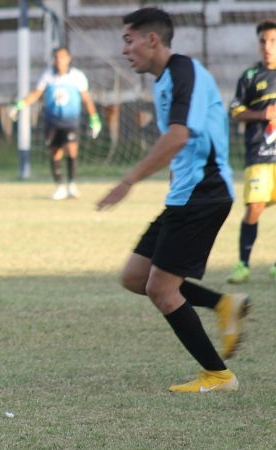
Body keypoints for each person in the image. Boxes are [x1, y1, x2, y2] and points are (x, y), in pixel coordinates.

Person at [97, 8, 250, 393]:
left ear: (152, 40)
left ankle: (218, 375)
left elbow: (179, 136)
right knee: (135, 277)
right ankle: (222, 304)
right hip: (185, 195)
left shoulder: (184, 73)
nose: (124, 50)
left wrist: (128, 180)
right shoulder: (163, 80)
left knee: (161, 290)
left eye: (128, 40)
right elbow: (182, 142)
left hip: (205, 194)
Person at [9, 47, 101, 200]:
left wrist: (94, 119)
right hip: (52, 121)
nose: (59, 61)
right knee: (55, 152)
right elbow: (36, 94)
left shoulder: (77, 76)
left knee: (72, 150)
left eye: (62, 57)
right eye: (57, 58)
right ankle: (59, 186)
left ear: (68, 59)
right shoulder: (48, 76)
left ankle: (72, 185)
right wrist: (19, 105)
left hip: (70, 121)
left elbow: (86, 98)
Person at [226, 19, 276, 284]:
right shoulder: (249, 76)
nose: (267, 47)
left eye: (273, 41)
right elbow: (235, 111)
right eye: (263, 41)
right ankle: (243, 264)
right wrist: (262, 113)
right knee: (255, 207)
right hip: (259, 154)